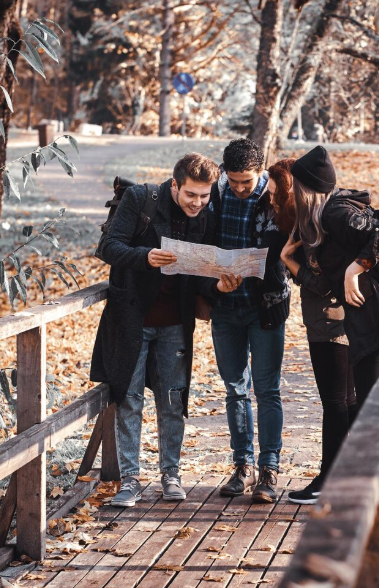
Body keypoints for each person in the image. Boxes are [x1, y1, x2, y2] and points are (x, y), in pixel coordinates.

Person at [90, 153, 241, 508]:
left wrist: (218, 287)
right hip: (131, 320)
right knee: (129, 397)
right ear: (174, 185)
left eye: (204, 196)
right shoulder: (140, 198)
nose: (198, 203)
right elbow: (108, 247)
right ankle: (130, 480)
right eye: (191, 195)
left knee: (173, 400)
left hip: (175, 324)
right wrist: (145, 257)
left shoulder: (206, 217)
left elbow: (201, 276)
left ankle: (170, 475)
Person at [290, 146, 379, 406]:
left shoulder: (335, 212)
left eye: (295, 185)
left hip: (378, 322)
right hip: (368, 321)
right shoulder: (329, 213)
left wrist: (353, 270)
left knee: (372, 411)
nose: (291, 190)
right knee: (369, 408)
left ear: (306, 188)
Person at [206, 138, 290, 504]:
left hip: (265, 306)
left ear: (261, 171)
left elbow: (289, 244)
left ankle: (269, 468)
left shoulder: (276, 196)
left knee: (267, 389)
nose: (241, 188)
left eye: (248, 181)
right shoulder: (214, 194)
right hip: (225, 307)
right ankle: (243, 466)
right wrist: (213, 282)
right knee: (235, 389)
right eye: (235, 181)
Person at [268, 158, 355, 505]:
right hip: (340, 321)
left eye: (274, 194)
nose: (270, 200)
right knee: (346, 400)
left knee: (336, 402)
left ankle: (328, 480)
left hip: (331, 324)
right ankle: (346, 477)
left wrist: (289, 261)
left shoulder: (319, 223)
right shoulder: (317, 218)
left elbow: (323, 283)